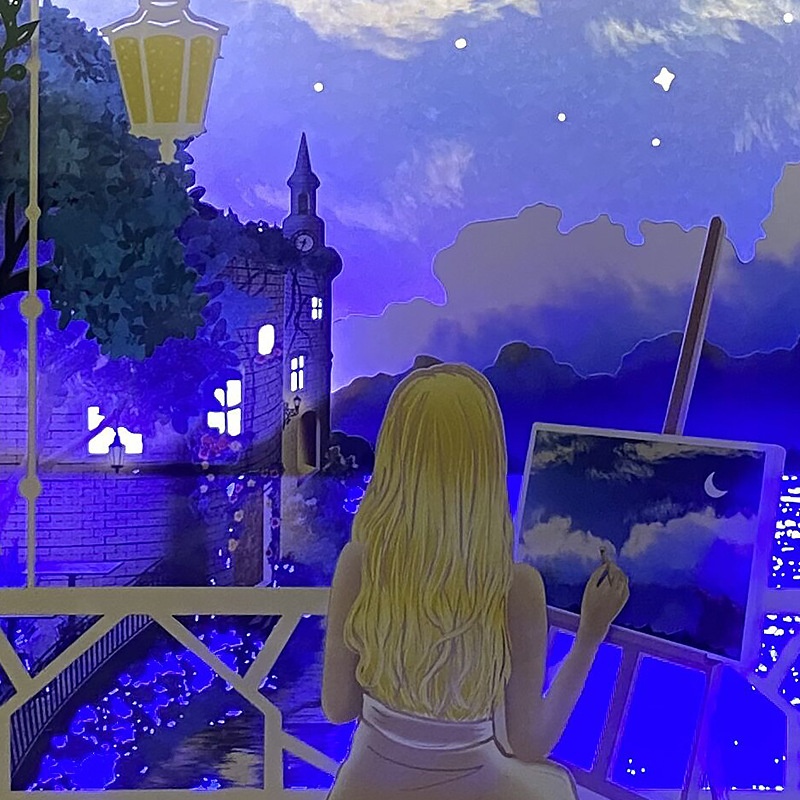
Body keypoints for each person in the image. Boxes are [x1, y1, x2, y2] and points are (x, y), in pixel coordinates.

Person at [322, 363, 629, 800]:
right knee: (556, 788)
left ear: (394, 456)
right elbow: (529, 744)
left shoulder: (359, 563)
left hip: (365, 788)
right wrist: (590, 636)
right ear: (487, 462)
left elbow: (338, 708)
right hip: (477, 786)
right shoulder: (516, 586)